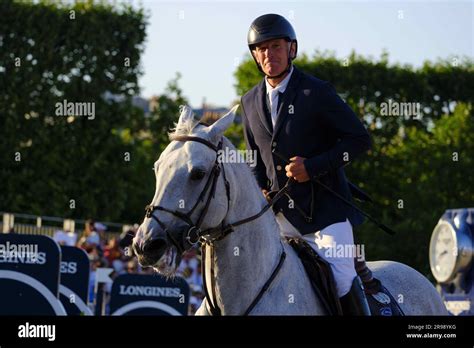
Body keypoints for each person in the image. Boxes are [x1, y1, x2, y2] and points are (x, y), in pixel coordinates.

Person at [241, 14, 372, 315]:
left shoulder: (317, 92)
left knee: (340, 280)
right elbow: (253, 159)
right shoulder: (249, 102)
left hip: (326, 214)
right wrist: (259, 187)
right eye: (261, 48)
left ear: (291, 49)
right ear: (255, 56)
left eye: (275, 46)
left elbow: (359, 140)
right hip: (278, 219)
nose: (268, 54)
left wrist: (312, 167)